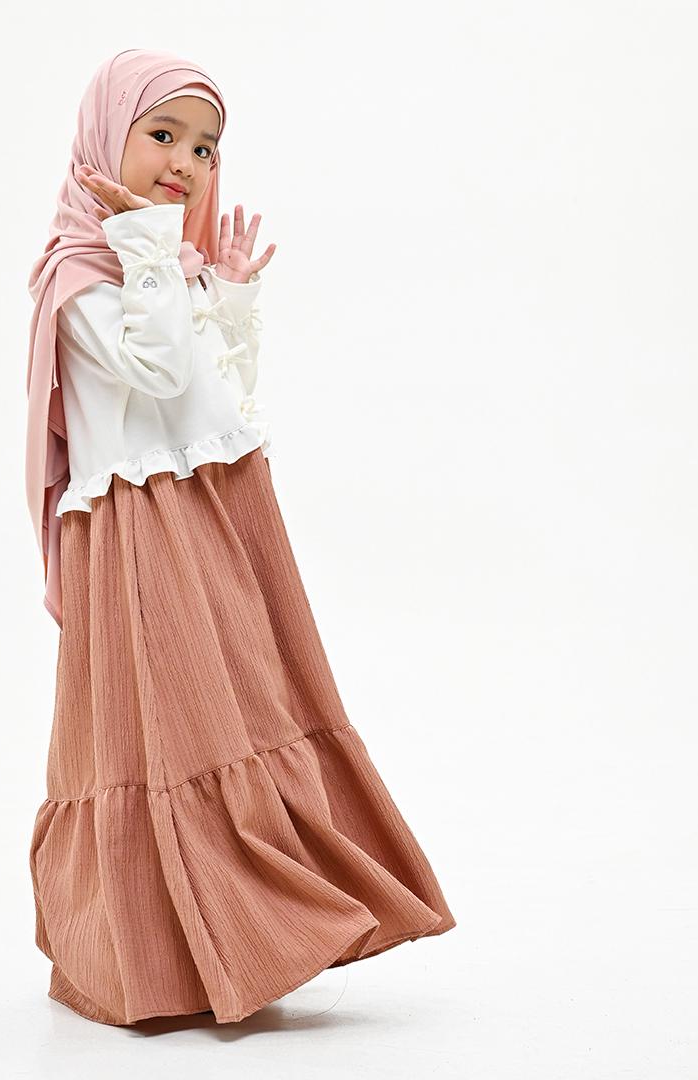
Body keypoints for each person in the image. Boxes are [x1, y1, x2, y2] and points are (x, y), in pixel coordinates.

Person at [25, 47, 456, 1027]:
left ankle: (259, 926)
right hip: (142, 530)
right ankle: (157, 956)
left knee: (248, 705)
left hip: (215, 509)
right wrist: (150, 248)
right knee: (165, 730)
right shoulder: (81, 275)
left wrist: (225, 294)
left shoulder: (155, 261)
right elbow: (160, 376)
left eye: (206, 148)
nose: (185, 162)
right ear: (104, 137)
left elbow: (219, 396)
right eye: (162, 135)